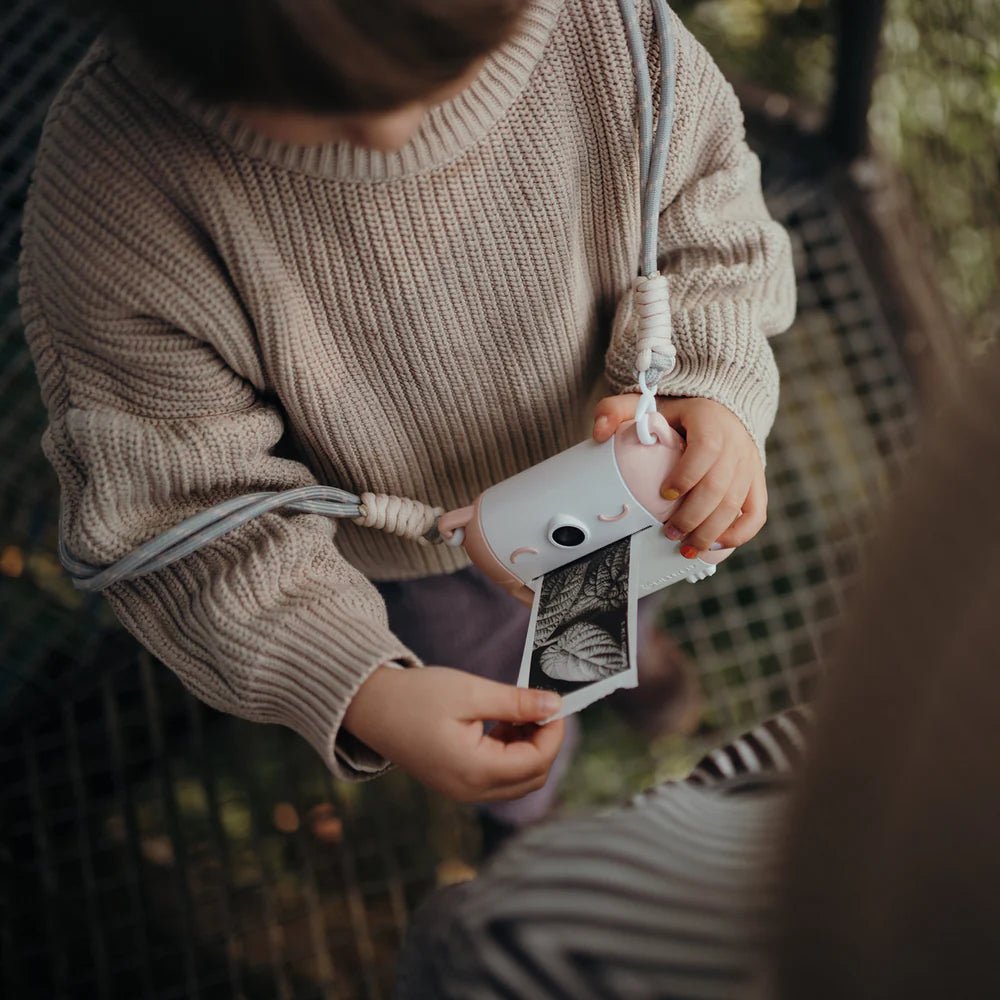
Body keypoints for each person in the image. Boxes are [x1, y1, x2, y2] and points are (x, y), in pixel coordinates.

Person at [19, 0, 794, 814]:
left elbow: (712, 221)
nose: (390, 136)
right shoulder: (115, 201)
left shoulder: (608, 29)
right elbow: (176, 508)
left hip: (622, 481)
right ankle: (523, 808)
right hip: (416, 571)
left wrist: (710, 379)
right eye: (317, 109)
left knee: (612, 602)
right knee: (509, 712)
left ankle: (623, 647)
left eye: (443, 71)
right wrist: (361, 683)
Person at [395, 354, 1000, 999]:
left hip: (587, 899)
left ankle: (523, 811)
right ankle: (623, 663)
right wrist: (719, 394)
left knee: (530, 709)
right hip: (781, 798)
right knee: (625, 575)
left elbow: (451, 940)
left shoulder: (549, 942)